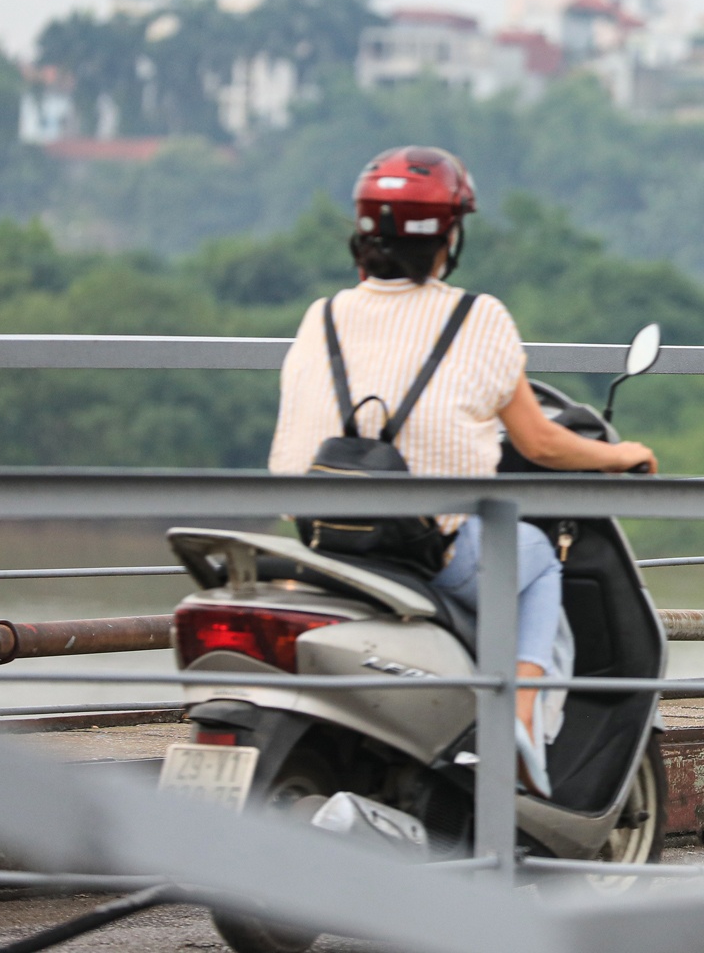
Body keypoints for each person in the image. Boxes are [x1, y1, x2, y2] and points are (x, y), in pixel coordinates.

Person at [269, 145, 656, 789]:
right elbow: (541, 444)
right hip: (420, 549)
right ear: (449, 236)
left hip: (322, 539)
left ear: (362, 235)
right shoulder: (478, 317)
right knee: (532, 555)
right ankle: (520, 732)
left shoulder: (323, 315)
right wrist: (622, 455)